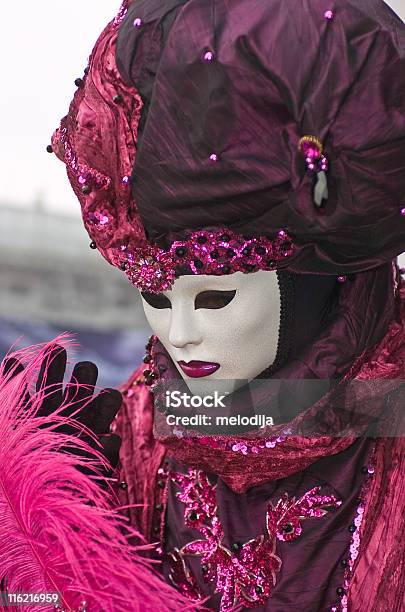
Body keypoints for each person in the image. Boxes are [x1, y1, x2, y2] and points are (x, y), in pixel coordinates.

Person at [48, 0, 405, 610]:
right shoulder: (141, 419)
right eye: (155, 297)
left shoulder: (390, 425)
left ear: (313, 279)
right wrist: (61, 517)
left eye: (215, 297)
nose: (179, 337)